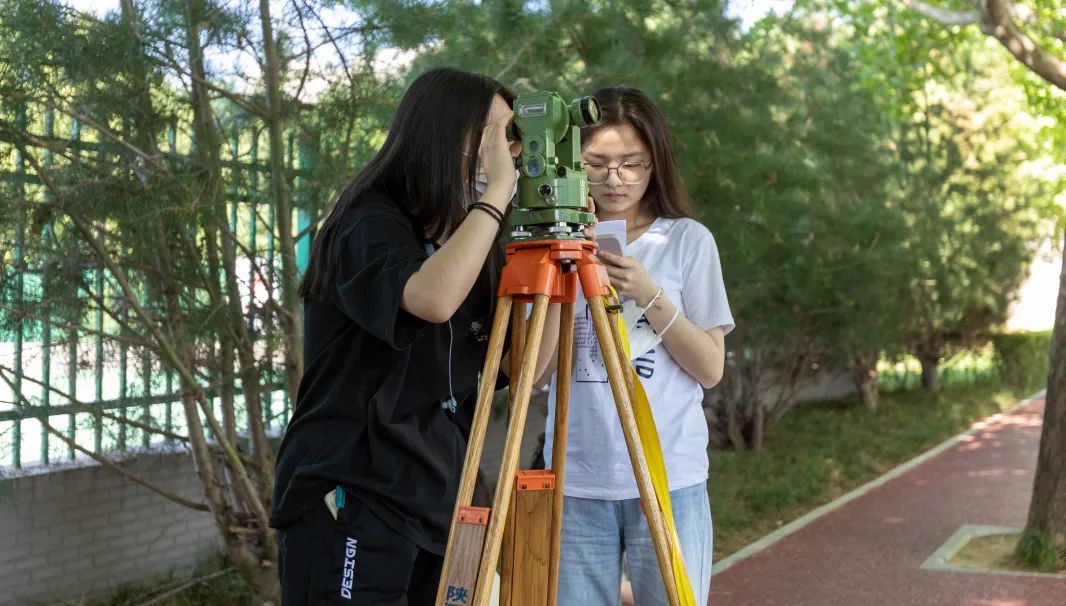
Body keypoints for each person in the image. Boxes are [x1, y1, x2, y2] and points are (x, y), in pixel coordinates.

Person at [270, 67, 559, 605]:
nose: (509, 150)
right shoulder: (367, 220)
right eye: (495, 134)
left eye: (513, 137)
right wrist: (498, 193)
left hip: (444, 495)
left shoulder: (475, 240)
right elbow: (431, 298)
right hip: (356, 490)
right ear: (443, 133)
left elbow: (521, 370)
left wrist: (555, 259)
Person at [543, 86, 735, 605]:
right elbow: (531, 373)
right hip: (575, 477)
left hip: (668, 475)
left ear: (655, 162)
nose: (615, 179)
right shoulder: (556, 244)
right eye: (596, 164)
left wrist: (649, 294)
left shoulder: (687, 240)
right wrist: (563, 259)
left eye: (632, 164)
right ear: (572, 163)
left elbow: (711, 367)